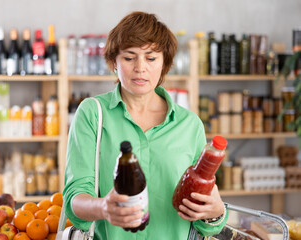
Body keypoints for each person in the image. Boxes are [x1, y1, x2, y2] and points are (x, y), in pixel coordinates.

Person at [63, 11, 227, 239]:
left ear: (165, 64)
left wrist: (215, 212)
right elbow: (74, 198)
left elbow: (206, 224)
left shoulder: (190, 125)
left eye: (151, 58)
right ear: (114, 62)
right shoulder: (93, 114)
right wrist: (103, 208)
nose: (140, 67)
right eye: (129, 58)